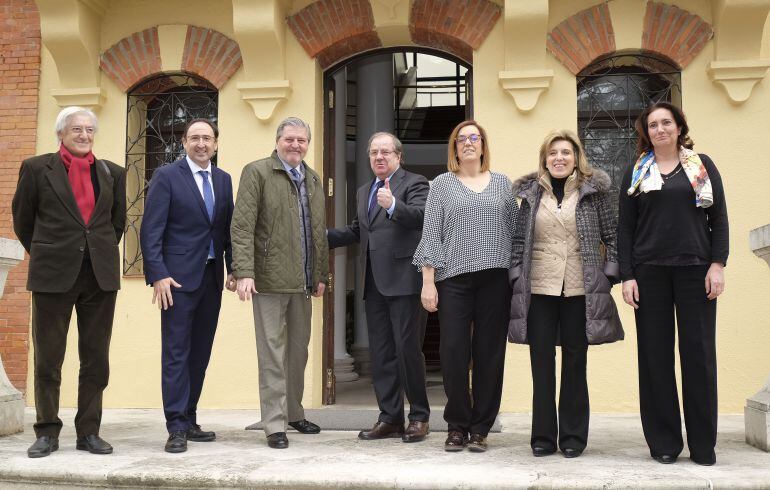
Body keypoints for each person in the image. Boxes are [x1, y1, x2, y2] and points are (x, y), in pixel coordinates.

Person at [618, 102, 729, 466]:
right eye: (653, 125)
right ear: (646, 132)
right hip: (649, 273)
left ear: (679, 127)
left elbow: (719, 218)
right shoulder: (635, 171)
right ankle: (664, 442)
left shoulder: (702, 166)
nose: (660, 129)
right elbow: (626, 229)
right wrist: (627, 275)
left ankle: (702, 445)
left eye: (667, 122)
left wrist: (717, 264)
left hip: (695, 271)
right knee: (655, 359)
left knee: (698, 358)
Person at [12, 106, 126, 458]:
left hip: (99, 275)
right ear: (61, 133)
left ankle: (89, 431)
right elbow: (23, 221)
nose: (84, 135)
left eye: (89, 130)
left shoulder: (113, 173)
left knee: (96, 359)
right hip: (53, 274)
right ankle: (47, 431)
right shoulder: (36, 168)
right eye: (76, 129)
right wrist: (51, 251)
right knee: (49, 358)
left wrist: (95, 249)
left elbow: (116, 223)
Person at [508, 130, 623, 459]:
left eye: (566, 153)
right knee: (541, 362)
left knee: (576, 361)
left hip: (579, 288)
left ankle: (573, 436)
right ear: (544, 158)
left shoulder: (593, 192)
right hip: (539, 289)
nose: (559, 158)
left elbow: (612, 234)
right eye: (553, 153)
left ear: (576, 158)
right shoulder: (530, 195)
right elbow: (518, 241)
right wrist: (516, 277)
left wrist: (609, 274)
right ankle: (543, 436)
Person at [413, 120, 518, 452]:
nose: (468, 143)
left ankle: (480, 428)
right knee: (453, 352)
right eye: (462, 139)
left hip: (495, 280)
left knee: (490, 354)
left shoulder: (503, 184)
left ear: (484, 145)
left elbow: (516, 234)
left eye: (475, 138)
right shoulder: (441, 185)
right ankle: (457, 424)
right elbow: (431, 236)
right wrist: (428, 283)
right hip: (453, 279)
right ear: (455, 148)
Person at [231, 117, 329, 449]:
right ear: (277, 141)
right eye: (290, 139)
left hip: (302, 282)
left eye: (302, 140)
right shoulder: (256, 172)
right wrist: (244, 271)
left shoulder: (313, 179)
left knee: (298, 352)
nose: (296, 145)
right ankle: (274, 424)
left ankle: (294, 412)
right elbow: (242, 226)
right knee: (272, 353)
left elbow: (318, 233)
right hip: (268, 281)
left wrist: (320, 275)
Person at [140, 118, 235, 453]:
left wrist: (233, 268)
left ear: (216, 144)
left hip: (210, 278)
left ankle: (190, 418)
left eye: (207, 138)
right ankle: (176, 426)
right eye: (194, 138)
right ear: (183, 142)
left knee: (200, 353)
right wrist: (158, 274)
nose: (201, 144)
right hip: (176, 280)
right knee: (177, 352)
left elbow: (226, 231)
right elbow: (150, 231)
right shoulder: (167, 176)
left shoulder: (223, 181)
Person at [328, 132, 431, 443]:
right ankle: (390, 418)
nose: (379, 157)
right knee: (382, 354)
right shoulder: (364, 191)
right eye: (374, 152)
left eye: (385, 152)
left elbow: (423, 218)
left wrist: (394, 205)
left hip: (405, 282)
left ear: (398, 156)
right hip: (372, 284)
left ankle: (419, 417)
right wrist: (320, 236)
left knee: (407, 351)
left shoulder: (416, 183)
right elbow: (360, 230)